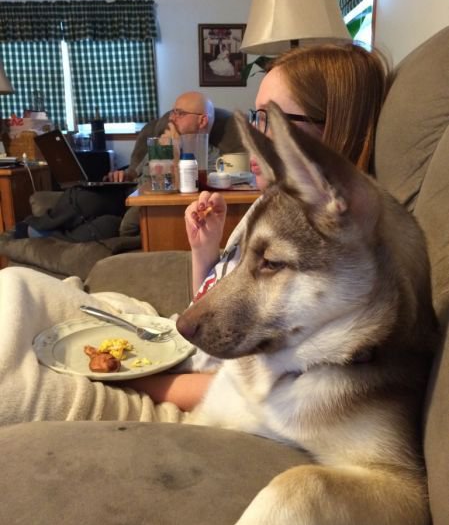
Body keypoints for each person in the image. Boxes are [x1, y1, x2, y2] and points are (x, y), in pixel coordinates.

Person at [0, 42, 389, 425]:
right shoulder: (273, 206)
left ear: (331, 129)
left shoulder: (334, 266)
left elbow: (246, 387)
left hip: (180, 386)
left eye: (269, 119)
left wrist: (133, 379)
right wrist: (205, 250)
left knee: (11, 371)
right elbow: (210, 310)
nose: (252, 135)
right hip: (172, 344)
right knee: (18, 286)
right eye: (255, 116)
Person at [20, 91, 215, 242]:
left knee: (104, 227)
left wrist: (172, 151)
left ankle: (40, 234)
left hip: (143, 210)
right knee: (83, 195)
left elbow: (186, 192)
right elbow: (135, 173)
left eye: (180, 113)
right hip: (124, 195)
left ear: (202, 120)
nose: (172, 118)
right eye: (173, 112)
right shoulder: (161, 142)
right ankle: (35, 229)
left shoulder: (213, 159)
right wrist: (125, 175)